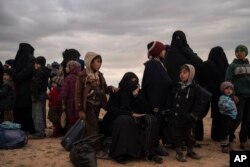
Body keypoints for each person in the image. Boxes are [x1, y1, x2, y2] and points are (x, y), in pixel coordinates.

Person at [102, 72, 163, 164]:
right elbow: (111, 110)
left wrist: (136, 96)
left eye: (135, 82)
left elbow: (146, 109)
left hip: (136, 120)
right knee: (125, 120)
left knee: (151, 119)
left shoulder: (138, 93)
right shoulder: (117, 92)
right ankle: (121, 153)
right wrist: (130, 114)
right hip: (118, 122)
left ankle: (150, 153)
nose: (133, 85)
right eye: (131, 82)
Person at [164, 30, 204, 142]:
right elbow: (167, 69)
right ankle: (176, 141)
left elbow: (200, 63)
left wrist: (186, 50)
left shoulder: (187, 50)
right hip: (176, 89)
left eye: (180, 38)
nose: (178, 41)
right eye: (176, 38)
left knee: (192, 113)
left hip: (191, 89)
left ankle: (193, 139)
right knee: (177, 114)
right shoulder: (171, 52)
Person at [142, 41, 173, 156]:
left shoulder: (158, 64)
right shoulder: (153, 64)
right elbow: (156, 82)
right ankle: (154, 147)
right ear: (157, 51)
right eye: (163, 49)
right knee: (155, 123)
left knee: (158, 123)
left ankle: (156, 145)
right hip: (155, 100)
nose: (165, 51)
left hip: (159, 99)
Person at [171, 64, 202, 162]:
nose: (181, 74)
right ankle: (179, 153)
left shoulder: (196, 88)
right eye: (180, 72)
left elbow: (198, 104)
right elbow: (171, 100)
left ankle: (190, 151)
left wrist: (193, 116)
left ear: (191, 74)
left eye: (185, 72)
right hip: (176, 117)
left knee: (189, 136)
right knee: (177, 136)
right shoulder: (177, 86)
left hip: (188, 119)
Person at [198, 46, 229, 141]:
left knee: (199, 114)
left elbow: (200, 78)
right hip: (219, 93)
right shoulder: (225, 64)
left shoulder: (205, 64)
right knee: (218, 115)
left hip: (206, 92)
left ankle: (198, 136)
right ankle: (216, 135)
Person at [225, 45, 250, 150]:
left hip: (249, 96)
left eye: (241, 51)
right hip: (238, 96)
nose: (239, 53)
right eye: (237, 51)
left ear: (246, 52)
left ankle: (243, 141)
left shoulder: (249, 66)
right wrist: (232, 95)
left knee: (247, 119)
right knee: (237, 118)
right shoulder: (232, 66)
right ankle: (229, 139)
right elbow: (228, 81)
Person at [12, 43, 35, 134]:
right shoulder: (31, 58)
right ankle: (28, 129)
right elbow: (29, 71)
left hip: (19, 88)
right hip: (26, 88)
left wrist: (16, 76)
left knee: (19, 110)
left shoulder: (17, 58)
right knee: (25, 110)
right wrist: (19, 76)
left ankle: (19, 129)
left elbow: (13, 71)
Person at [30, 56, 50, 139]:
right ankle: (40, 132)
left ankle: (40, 133)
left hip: (38, 95)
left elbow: (36, 85)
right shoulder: (44, 71)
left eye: (35, 63)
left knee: (37, 114)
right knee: (39, 114)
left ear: (38, 64)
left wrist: (34, 95)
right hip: (41, 94)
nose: (34, 65)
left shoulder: (39, 72)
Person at [60, 60, 81, 132]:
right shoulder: (79, 78)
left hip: (69, 103)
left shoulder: (68, 78)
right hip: (78, 103)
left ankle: (70, 136)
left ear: (70, 67)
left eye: (67, 66)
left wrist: (62, 101)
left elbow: (64, 93)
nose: (66, 68)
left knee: (70, 120)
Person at [218, 81, 237, 153]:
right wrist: (231, 106)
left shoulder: (229, 98)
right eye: (227, 89)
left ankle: (227, 144)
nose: (229, 90)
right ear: (223, 90)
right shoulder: (223, 98)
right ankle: (224, 146)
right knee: (225, 132)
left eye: (231, 89)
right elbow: (223, 106)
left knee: (228, 131)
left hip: (231, 117)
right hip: (226, 117)